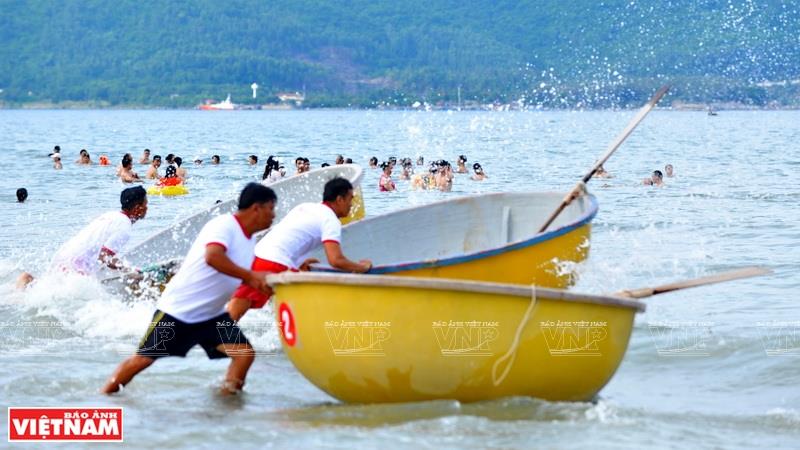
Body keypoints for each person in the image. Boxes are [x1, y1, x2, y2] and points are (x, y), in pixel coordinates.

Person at [101, 183, 277, 396]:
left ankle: (226, 404)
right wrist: (250, 276)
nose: (273, 215)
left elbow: (238, 277)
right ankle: (105, 397)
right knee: (143, 360)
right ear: (256, 208)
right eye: (271, 208)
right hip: (179, 311)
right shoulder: (224, 226)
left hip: (211, 317)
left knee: (244, 354)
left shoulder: (248, 241)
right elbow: (213, 257)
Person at [227, 178, 371, 322]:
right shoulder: (330, 220)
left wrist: (298, 262)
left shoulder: (307, 207)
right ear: (339, 199)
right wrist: (361, 267)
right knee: (232, 317)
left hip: (258, 255)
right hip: (272, 262)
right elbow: (336, 260)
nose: (351, 205)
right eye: (350, 199)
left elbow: (290, 237)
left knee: (234, 314)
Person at [16, 186, 148, 289]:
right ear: (137, 208)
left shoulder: (112, 215)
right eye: (145, 204)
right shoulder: (124, 227)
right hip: (75, 265)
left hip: (65, 255)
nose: (147, 208)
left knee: (47, 286)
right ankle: (26, 281)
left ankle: (27, 281)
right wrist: (129, 270)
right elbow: (105, 257)